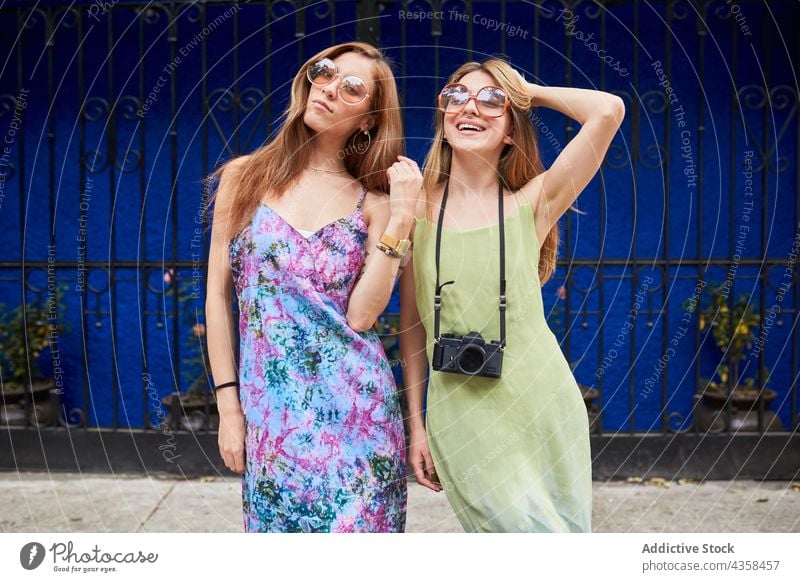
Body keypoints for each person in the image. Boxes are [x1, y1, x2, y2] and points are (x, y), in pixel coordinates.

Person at [399, 58, 624, 532]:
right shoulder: (412, 203)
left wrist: (529, 90)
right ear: (443, 118)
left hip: (540, 402)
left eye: (491, 100)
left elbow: (607, 110)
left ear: (511, 132)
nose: (471, 107)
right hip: (458, 411)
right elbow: (414, 325)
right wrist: (417, 427)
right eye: (457, 96)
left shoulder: (533, 202)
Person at [204, 42, 422, 532]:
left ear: (368, 119)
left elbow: (363, 318)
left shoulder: (376, 206)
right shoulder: (244, 179)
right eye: (325, 73)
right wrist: (228, 407)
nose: (329, 87)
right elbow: (217, 298)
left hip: (361, 423)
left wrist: (403, 217)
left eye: (352, 88)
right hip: (273, 426)